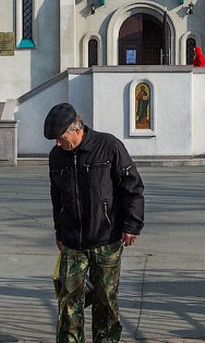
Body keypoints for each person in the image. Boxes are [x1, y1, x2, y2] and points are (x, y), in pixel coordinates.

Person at [45, 103, 145, 343]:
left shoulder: (108, 146)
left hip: (106, 239)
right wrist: (59, 231)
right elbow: (56, 198)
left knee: (105, 301)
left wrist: (132, 225)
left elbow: (132, 186)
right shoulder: (57, 156)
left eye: (60, 138)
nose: (57, 144)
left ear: (75, 130)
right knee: (68, 303)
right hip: (72, 242)